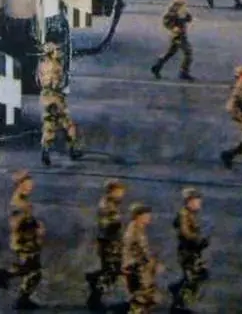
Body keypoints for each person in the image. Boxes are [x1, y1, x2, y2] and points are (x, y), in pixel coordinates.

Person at [0, 171, 45, 310]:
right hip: (24, 242)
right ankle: (21, 298)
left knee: (28, 268)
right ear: (20, 184)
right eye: (27, 184)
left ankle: (7, 278)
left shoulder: (22, 200)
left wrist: (36, 225)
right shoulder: (18, 202)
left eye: (31, 184)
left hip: (28, 240)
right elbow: (16, 224)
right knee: (34, 272)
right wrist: (34, 226)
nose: (30, 187)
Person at [39, 42, 82, 166]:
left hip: (45, 97)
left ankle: (45, 151)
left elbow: (39, 80)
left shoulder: (42, 65)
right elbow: (56, 84)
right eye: (56, 50)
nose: (59, 52)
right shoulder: (56, 66)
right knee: (68, 124)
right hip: (56, 97)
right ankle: (72, 150)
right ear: (51, 53)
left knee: (49, 125)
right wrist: (62, 89)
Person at [86, 179, 126, 310]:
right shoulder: (106, 205)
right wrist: (117, 225)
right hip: (109, 243)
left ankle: (94, 279)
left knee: (111, 269)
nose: (122, 195)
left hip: (112, 241)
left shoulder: (112, 204)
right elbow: (106, 225)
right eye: (120, 192)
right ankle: (95, 299)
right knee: (111, 271)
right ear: (112, 191)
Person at [169, 188, 209, 314]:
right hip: (187, 252)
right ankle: (180, 304)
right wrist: (198, 240)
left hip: (193, 251)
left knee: (198, 274)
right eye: (197, 202)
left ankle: (177, 292)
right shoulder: (184, 215)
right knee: (193, 278)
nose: (199, 205)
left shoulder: (189, 214)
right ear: (189, 201)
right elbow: (186, 233)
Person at [123, 204, 162, 314]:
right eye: (146, 215)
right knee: (141, 298)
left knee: (148, 297)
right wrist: (126, 265)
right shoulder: (133, 230)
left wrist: (153, 263)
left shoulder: (139, 229)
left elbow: (144, 251)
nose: (149, 217)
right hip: (136, 268)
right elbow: (128, 249)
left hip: (141, 268)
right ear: (138, 216)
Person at [152, 0, 194, 81]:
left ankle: (157, 66)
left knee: (170, 52)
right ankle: (183, 72)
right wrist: (174, 27)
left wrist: (187, 17)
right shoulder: (174, 7)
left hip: (180, 33)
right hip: (177, 35)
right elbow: (166, 20)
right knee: (188, 52)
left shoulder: (182, 6)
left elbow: (186, 17)